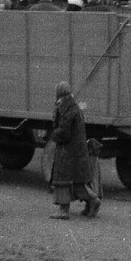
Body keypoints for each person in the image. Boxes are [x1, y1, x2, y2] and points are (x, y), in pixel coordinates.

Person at [48, 81, 100, 219]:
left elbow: (64, 132)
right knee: (77, 181)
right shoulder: (75, 107)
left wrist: (53, 135)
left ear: (59, 94)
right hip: (78, 151)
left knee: (62, 180)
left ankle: (63, 210)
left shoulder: (65, 109)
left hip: (67, 152)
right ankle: (92, 200)